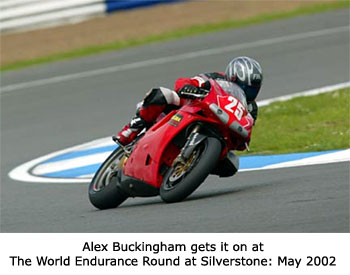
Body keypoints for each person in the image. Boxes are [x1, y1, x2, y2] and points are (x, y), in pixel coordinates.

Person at [116, 56, 263, 152]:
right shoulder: (216, 78)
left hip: (219, 130)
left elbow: (244, 134)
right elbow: (187, 82)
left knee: (230, 166)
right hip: (194, 107)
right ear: (232, 77)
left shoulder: (251, 108)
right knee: (162, 94)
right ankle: (131, 129)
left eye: (252, 89)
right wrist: (188, 87)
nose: (246, 92)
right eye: (244, 86)